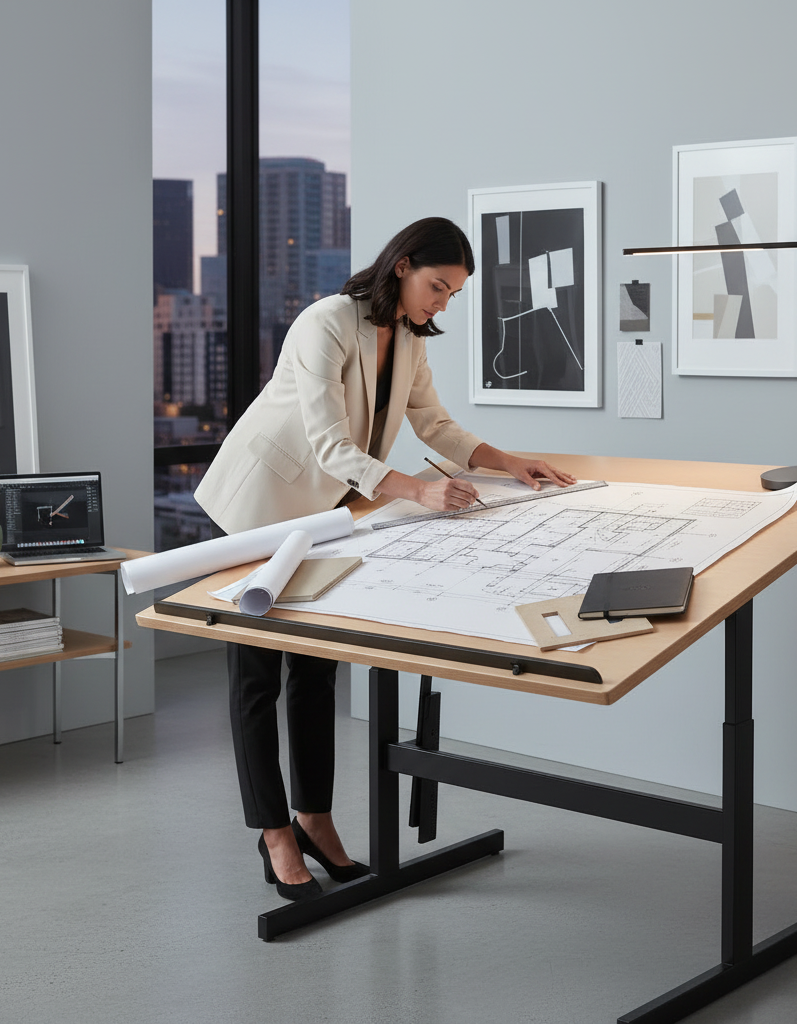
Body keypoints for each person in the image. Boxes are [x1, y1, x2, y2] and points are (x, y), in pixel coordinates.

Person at [195, 217, 575, 900]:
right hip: (257, 504)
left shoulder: (407, 339)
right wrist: (419, 489)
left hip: (321, 515)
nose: (442, 303)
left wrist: (510, 462)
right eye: (438, 286)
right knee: (257, 679)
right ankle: (274, 833)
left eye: (454, 294)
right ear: (401, 266)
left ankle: (314, 817)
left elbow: (436, 425)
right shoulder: (324, 323)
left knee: (315, 670)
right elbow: (327, 445)